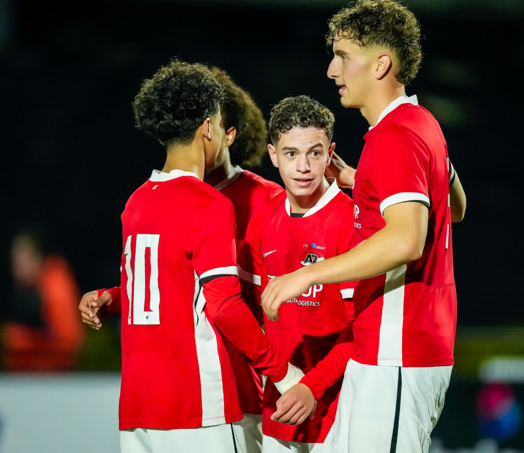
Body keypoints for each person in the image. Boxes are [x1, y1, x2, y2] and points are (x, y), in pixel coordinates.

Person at [261, 1, 466, 451]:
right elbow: (455, 206)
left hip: (398, 351)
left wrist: (306, 275)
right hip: (387, 349)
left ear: (380, 64)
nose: (332, 70)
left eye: (343, 56)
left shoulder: (395, 136)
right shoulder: (422, 123)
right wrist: (365, 181)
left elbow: (407, 239)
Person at [81, 59, 302, 453]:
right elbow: (223, 306)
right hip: (200, 401)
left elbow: (160, 286)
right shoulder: (208, 204)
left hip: (140, 405)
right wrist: (284, 373)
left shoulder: (137, 201)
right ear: (208, 127)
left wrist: (111, 298)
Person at [238, 95, 356, 452]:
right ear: (273, 155)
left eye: (314, 153)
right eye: (291, 153)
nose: (303, 166)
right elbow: (251, 312)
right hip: (281, 408)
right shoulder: (263, 219)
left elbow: (362, 329)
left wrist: (311, 386)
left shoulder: (351, 221)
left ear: (330, 154)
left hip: (339, 409)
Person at [2, 226, 84, 372]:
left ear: (38, 258)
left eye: (22, 259)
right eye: (14, 259)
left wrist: (18, 339)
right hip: (29, 375)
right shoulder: (31, 289)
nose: (16, 267)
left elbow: (69, 341)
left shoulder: (56, 287)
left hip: (52, 377)